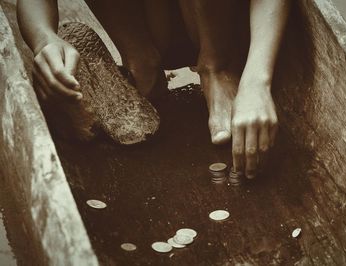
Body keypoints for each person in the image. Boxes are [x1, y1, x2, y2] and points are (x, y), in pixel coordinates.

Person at [17, 0, 290, 179]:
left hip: (214, 17)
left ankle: (216, 66)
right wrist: (44, 39)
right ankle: (141, 59)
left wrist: (256, 81)